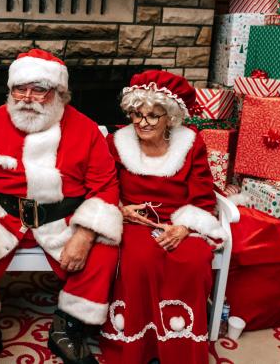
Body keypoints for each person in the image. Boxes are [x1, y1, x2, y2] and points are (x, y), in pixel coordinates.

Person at [0, 49, 122, 364]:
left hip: (64, 218)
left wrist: (84, 235)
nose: (27, 97)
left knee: (105, 246)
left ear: (59, 93)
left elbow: (106, 186)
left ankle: (67, 326)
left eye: (39, 89)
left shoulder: (85, 130)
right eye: (20, 88)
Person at [99, 71, 228, 364]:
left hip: (179, 220)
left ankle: (178, 346)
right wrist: (120, 208)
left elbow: (203, 194)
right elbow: (104, 185)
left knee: (193, 260)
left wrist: (185, 226)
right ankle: (139, 346)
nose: (142, 123)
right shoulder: (116, 142)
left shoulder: (192, 145)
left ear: (170, 117)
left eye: (152, 116)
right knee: (139, 260)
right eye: (136, 114)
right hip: (134, 221)